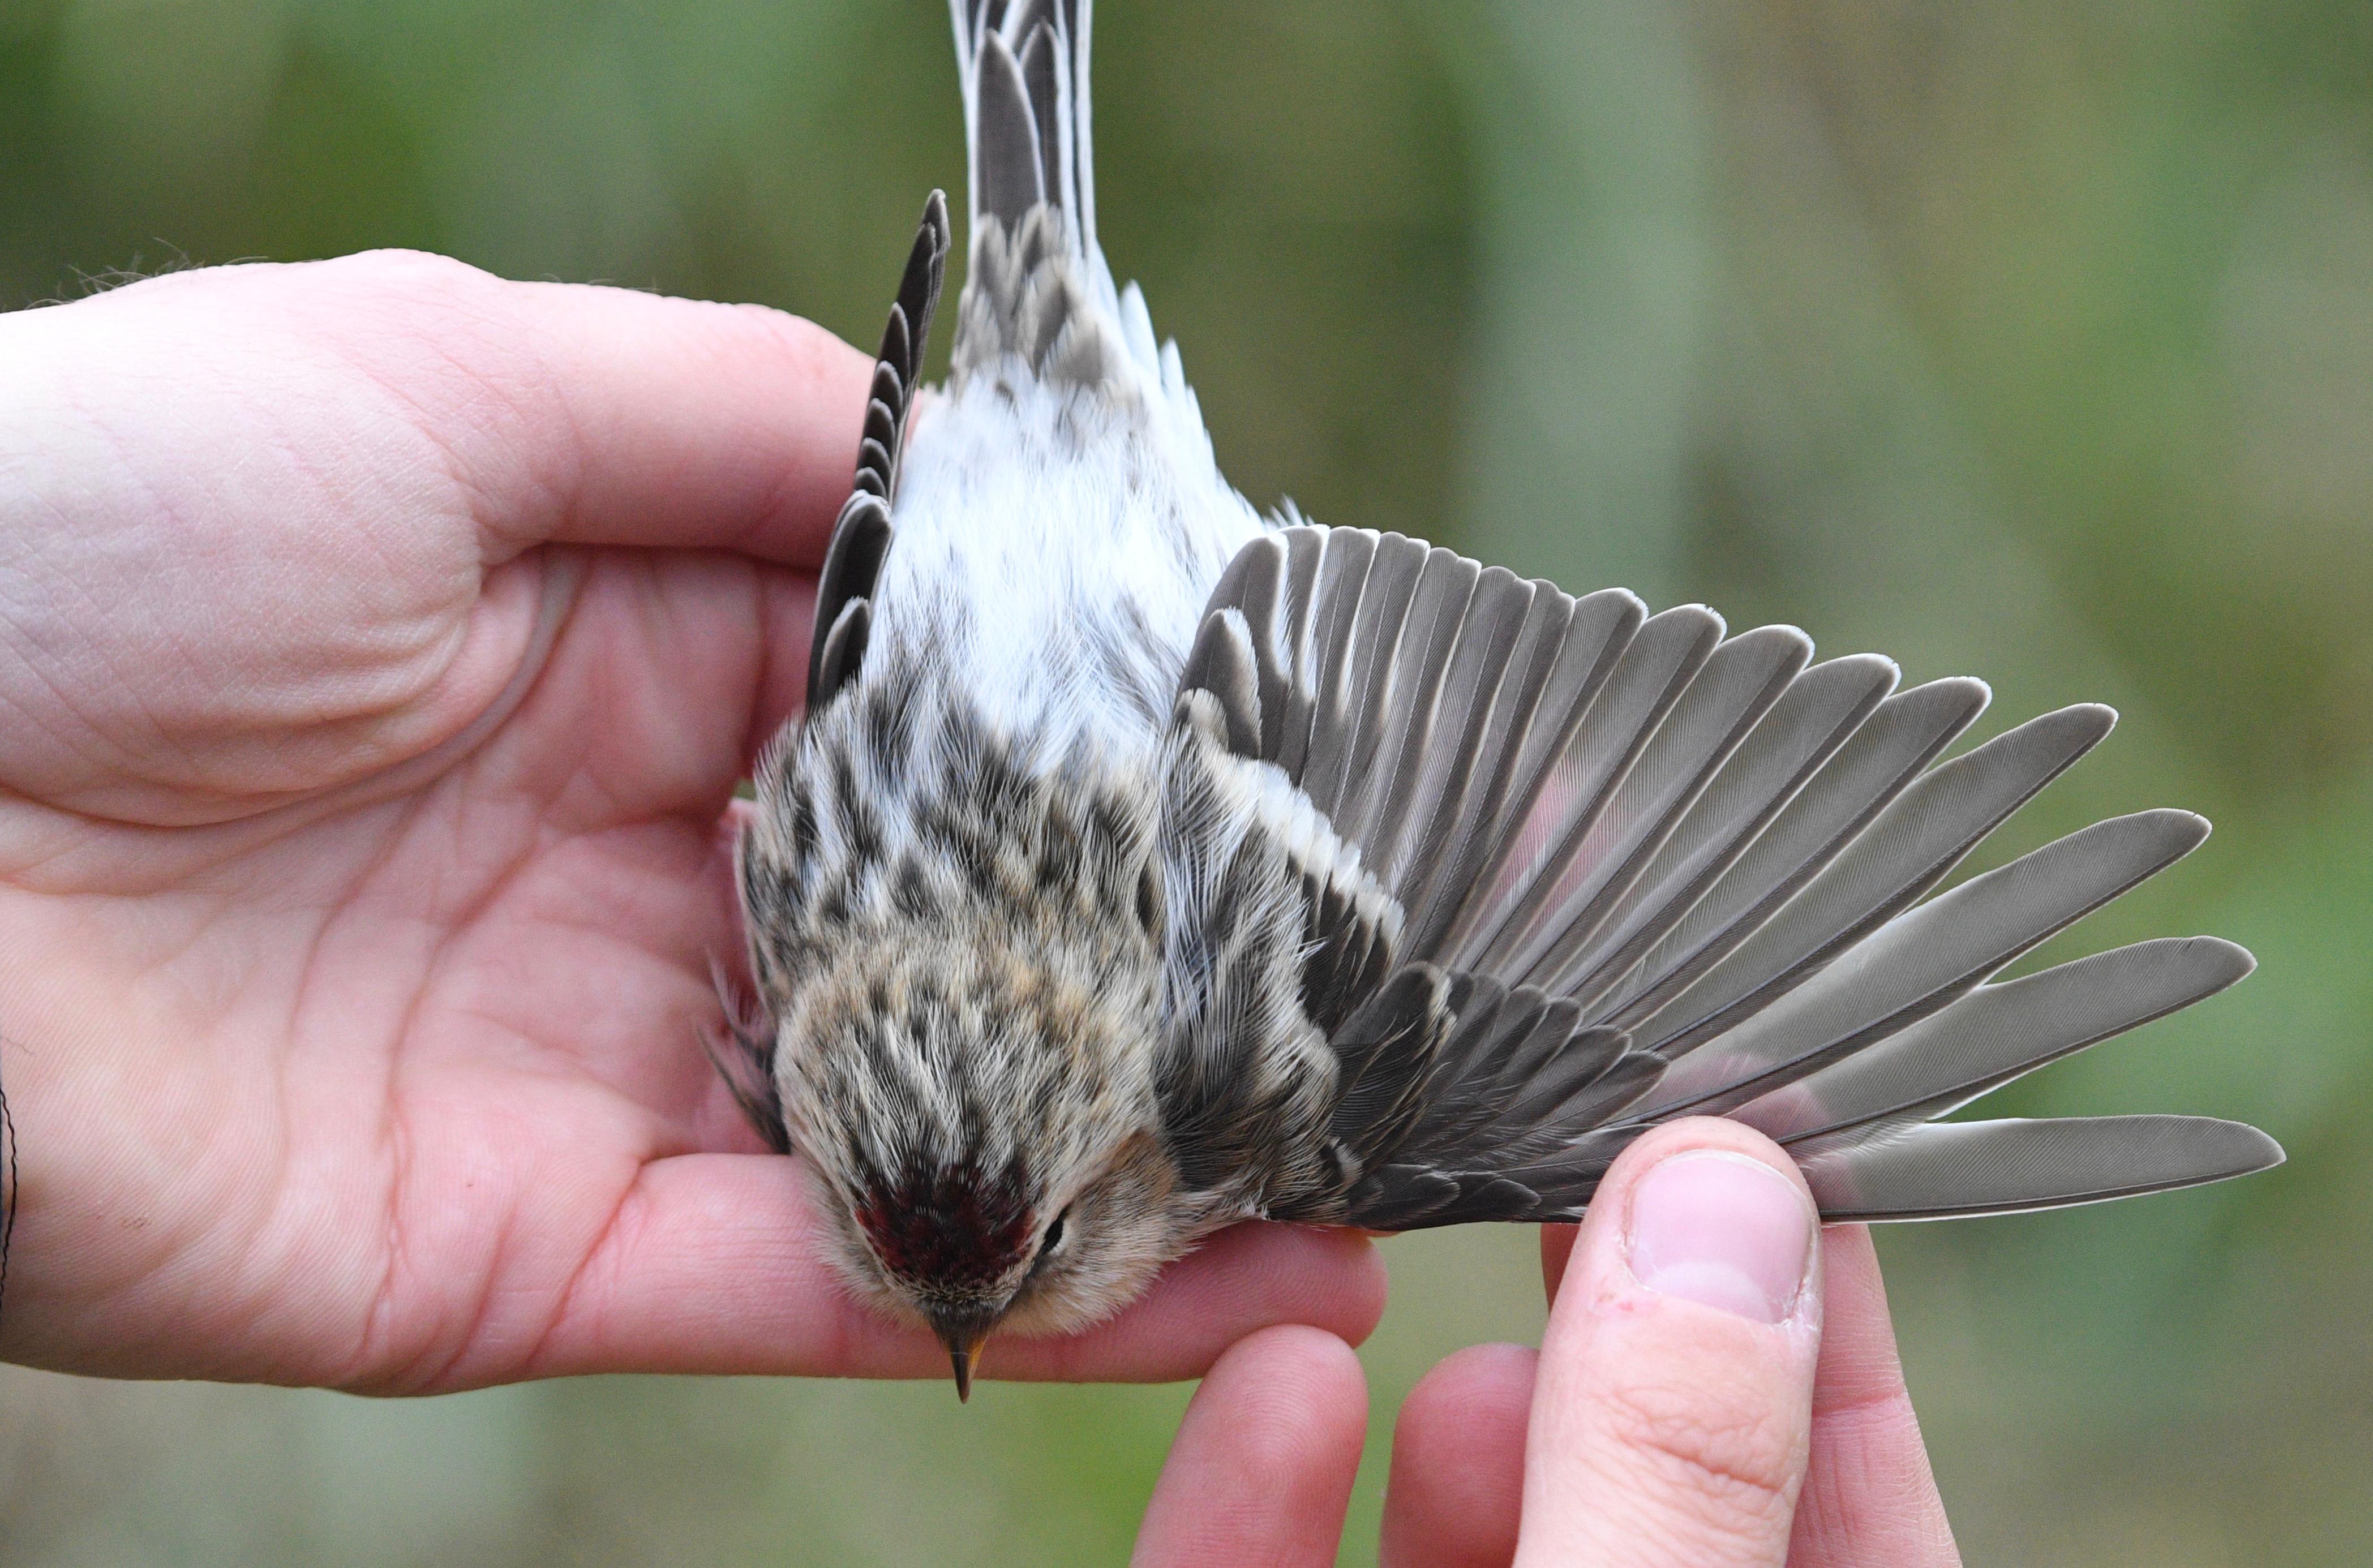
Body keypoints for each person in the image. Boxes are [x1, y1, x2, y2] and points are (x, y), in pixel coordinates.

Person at [0, 253, 1962, 1565]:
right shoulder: (815, 971)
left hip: (1121, 580)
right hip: (963, 564)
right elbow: (844, 657)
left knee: (1443, 1135)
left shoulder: (1213, 1085)